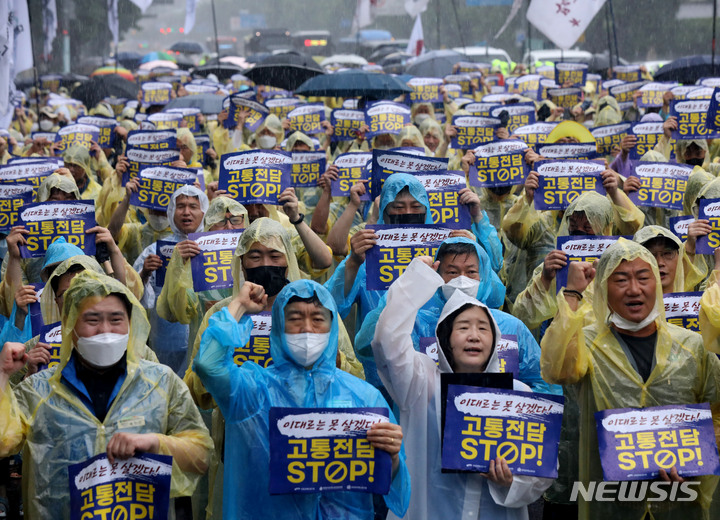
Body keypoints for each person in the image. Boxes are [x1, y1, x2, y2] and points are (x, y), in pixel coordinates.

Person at [0, 270, 213, 519]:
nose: (105, 330)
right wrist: (2, 376)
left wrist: (157, 443)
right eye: (92, 320)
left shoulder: (161, 382)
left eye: (116, 319)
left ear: (131, 323)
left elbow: (200, 454)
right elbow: (4, 442)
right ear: (70, 324)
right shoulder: (38, 391)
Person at [193, 279, 410, 519]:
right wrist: (239, 305)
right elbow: (208, 364)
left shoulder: (364, 396)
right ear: (278, 325)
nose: (307, 329)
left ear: (332, 327)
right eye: (295, 319)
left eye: (318, 319)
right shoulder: (252, 392)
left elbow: (391, 485)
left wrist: (391, 457)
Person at [541, 238, 720, 520]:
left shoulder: (691, 345)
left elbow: (715, 412)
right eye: (621, 280)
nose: (634, 289)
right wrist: (573, 293)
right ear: (603, 289)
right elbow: (557, 368)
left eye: (643, 277)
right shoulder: (586, 344)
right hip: (611, 502)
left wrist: (695, 460)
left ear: (657, 284)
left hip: (681, 499)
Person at [371, 257, 553, 520]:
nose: (474, 335)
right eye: (463, 327)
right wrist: (417, 280)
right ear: (446, 339)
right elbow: (387, 342)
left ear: (495, 341)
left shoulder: (519, 395)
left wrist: (513, 481)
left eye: (483, 328)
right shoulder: (422, 384)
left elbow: (543, 470)